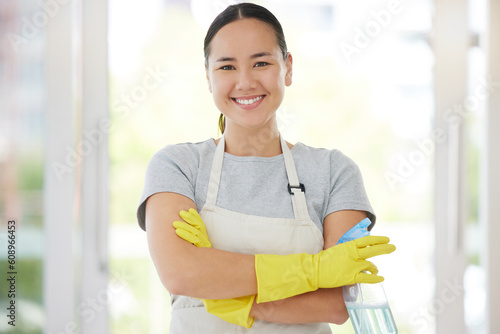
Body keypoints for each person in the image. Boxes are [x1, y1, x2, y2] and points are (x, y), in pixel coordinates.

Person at [137, 3, 396, 333]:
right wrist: (314, 271)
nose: (245, 82)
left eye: (261, 62)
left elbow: (335, 303)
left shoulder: (334, 172)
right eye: (227, 67)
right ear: (207, 76)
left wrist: (229, 297)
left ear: (287, 68)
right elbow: (181, 274)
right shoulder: (178, 167)